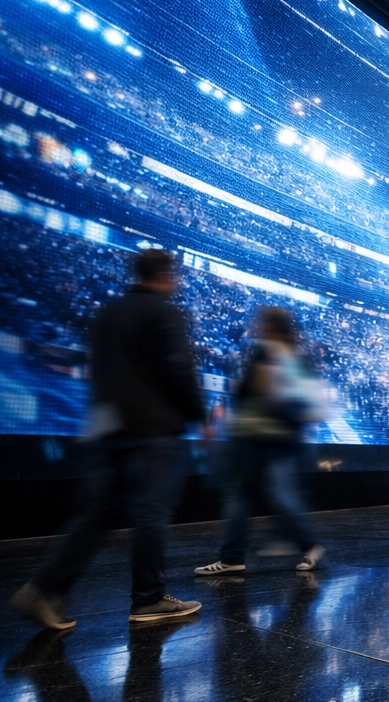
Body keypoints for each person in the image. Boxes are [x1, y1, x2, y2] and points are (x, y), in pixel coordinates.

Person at [11, 249, 204, 630]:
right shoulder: (165, 312)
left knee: (98, 514)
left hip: (108, 427)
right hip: (154, 429)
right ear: (165, 275)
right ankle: (148, 598)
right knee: (152, 514)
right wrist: (198, 413)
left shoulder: (107, 313)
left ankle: (44, 588)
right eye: (176, 275)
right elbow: (178, 368)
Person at [195, 307, 327, 576]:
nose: (257, 326)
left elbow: (250, 391)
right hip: (282, 436)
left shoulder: (265, 351)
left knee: (244, 494)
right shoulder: (299, 355)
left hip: (256, 434)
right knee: (270, 494)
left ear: (269, 326)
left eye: (261, 322)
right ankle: (304, 545)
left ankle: (235, 556)